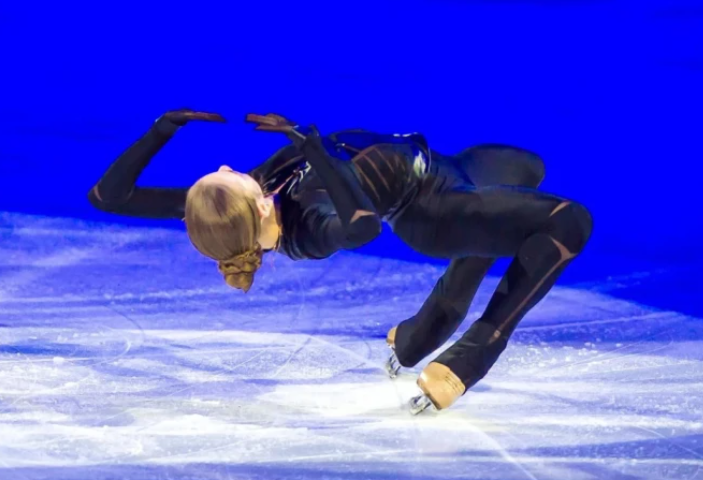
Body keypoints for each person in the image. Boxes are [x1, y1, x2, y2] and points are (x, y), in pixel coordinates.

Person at [87, 110, 593, 413]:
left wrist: (162, 129)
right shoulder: (309, 227)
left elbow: (109, 197)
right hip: (433, 210)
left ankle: (424, 329)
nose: (223, 166)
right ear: (255, 208)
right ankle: (473, 355)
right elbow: (363, 227)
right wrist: (313, 149)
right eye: (223, 176)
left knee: (524, 168)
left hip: (446, 168)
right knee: (569, 222)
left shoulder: (243, 200)